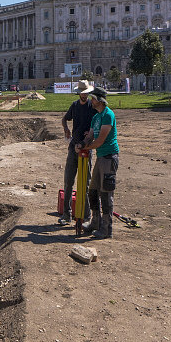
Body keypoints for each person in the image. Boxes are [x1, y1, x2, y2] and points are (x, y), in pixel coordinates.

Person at [76, 87, 119, 239]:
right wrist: (82, 143)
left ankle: (106, 229)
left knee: (106, 193)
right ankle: (95, 221)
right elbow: (91, 136)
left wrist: (86, 146)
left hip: (109, 157)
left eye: (93, 98)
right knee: (93, 190)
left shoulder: (108, 115)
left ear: (99, 100)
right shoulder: (96, 117)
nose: (90, 100)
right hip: (101, 157)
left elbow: (99, 141)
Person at [58, 80, 97, 226]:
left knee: (85, 182)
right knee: (69, 180)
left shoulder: (91, 107)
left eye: (86, 93)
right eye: (82, 92)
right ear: (78, 92)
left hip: (86, 148)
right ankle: (67, 214)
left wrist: (90, 136)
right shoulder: (74, 106)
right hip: (73, 147)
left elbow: (96, 125)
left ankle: (86, 215)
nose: (84, 95)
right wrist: (66, 129)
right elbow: (64, 118)